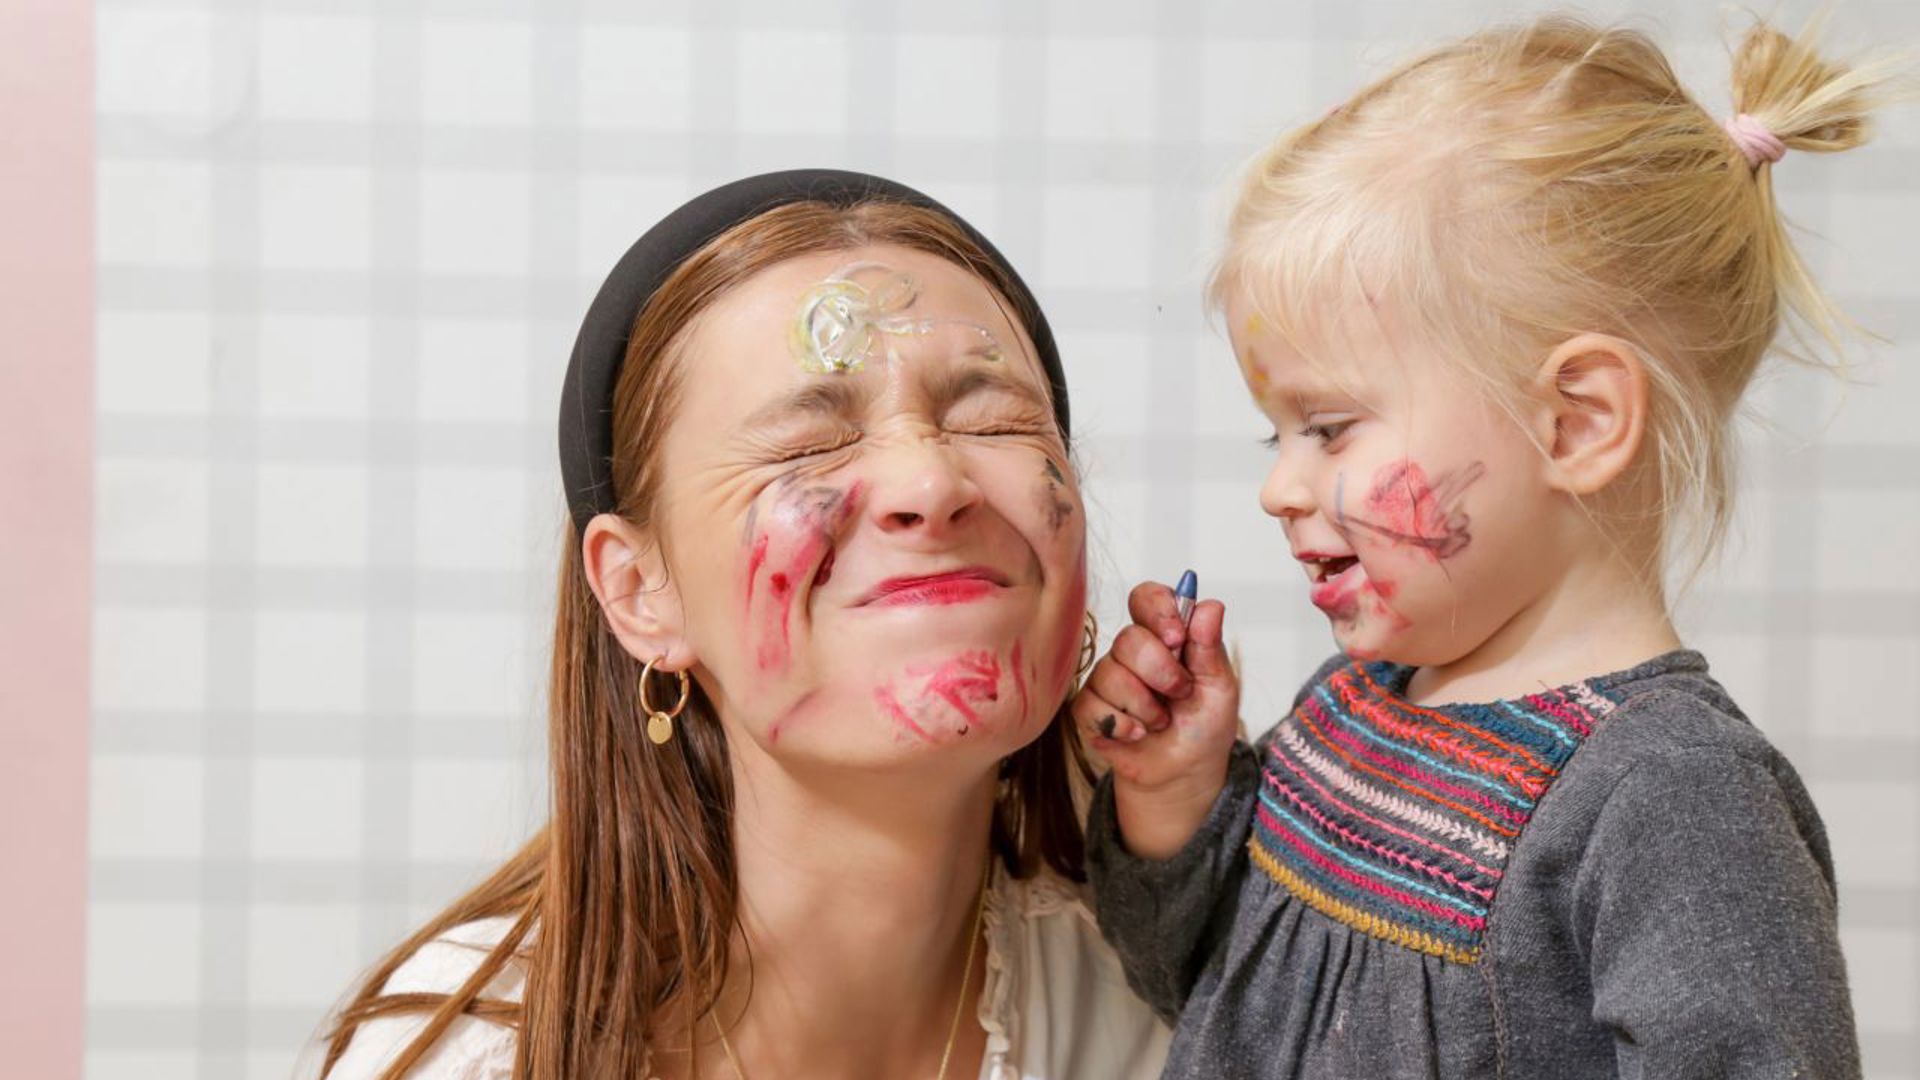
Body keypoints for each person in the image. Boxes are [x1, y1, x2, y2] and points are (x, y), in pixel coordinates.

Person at [1072, 17, 1894, 1078]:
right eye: (1275, 436)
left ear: (1576, 425)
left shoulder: (1671, 798)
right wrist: (1174, 796)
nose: (1279, 487)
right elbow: (1193, 991)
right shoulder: (1351, 709)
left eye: (1328, 429)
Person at [318, 170, 1170, 1079]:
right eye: (810, 444)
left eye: (994, 422)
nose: (932, 484)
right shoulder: (476, 1060)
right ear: (642, 589)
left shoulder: (1170, 1010)